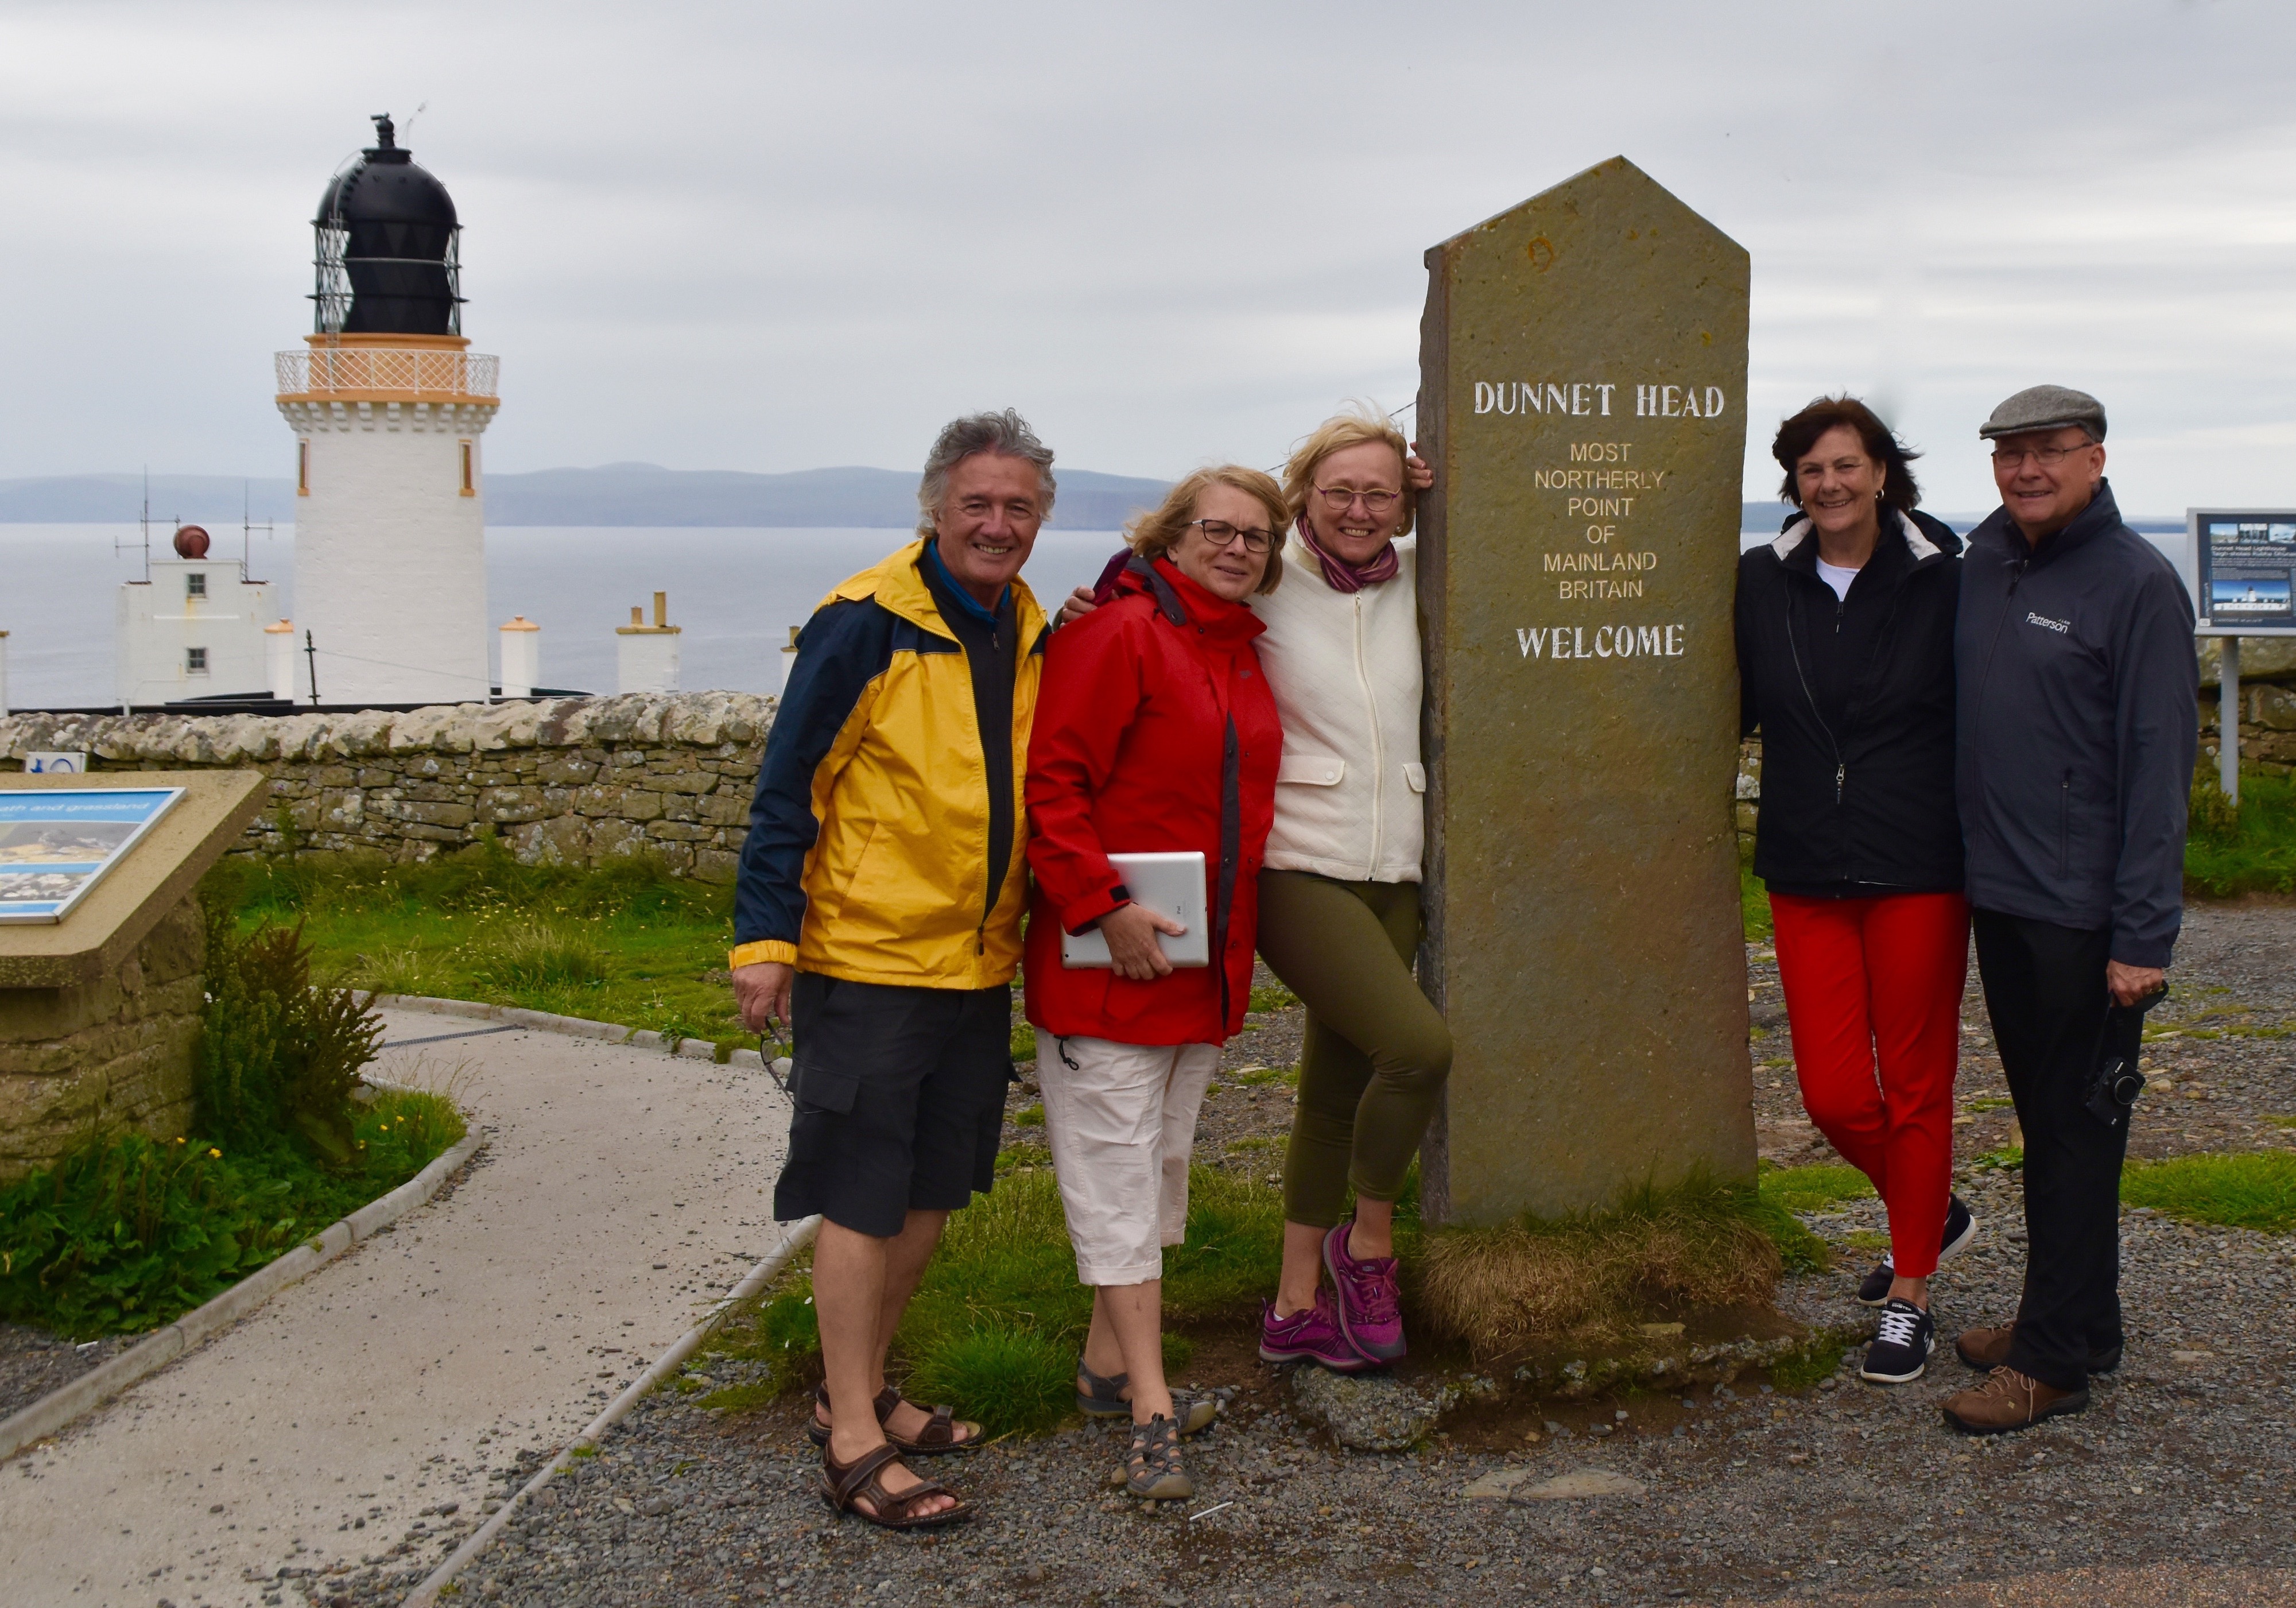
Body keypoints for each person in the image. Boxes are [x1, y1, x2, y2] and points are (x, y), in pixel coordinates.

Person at [729, 409, 1056, 1527]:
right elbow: (787, 791)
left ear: (1039, 519)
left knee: (927, 1197)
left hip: (975, 965)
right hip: (867, 957)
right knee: (861, 1198)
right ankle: (854, 1445)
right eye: (977, 504)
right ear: (934, 509)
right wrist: (765, 944)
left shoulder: (1027, 625)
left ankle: (848, 1393)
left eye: (1018, 507)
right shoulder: (865, 621)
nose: (996, 524)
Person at [1025, 466, 1286, 1501]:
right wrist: (1101, 904)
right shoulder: (1118, 632)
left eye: (1257, 537)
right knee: (1116, 1180)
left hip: (1199, 972)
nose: (1237, 548)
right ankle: (1149, 1405)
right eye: (1216, 530)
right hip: (1107, 970)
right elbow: (1055, 781)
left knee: (1160, 1171)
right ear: (1169, 538)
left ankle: (1102, 1370)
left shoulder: (1243, 649)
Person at [1941, 385, 2197, 1435]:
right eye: (2010, 454)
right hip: (2002, 900)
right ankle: (2082, 1320)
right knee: (2050, 1128)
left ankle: (2052, 1365)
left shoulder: (2136, 583)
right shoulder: (1986, 557)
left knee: (2079, 1135)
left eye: (2051, 451)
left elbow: (2157, 766)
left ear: (2096, 458)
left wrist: (2144, 935)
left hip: (2086, 917)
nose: (2027, 470)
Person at [1734, 397, 1977, 1386]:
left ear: (1883, 472)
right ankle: (1935, 1211)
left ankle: (1912, 1290)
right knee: (1833, 1093)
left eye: (1847, 465)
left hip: (1920, 864)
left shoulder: (1943, 580)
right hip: (1804, 865)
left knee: (1917, 1086)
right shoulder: (1759, 579)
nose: (1829, 484)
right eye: (1810, 469)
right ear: (1793, 483)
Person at [1250, 410, 1452, 1371]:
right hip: (1297, 863)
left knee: (1333, 1093)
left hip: (1397, 865)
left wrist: (1452, 483)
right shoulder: (1264, 577)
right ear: (1304, 495)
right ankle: (1367, 1248)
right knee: (1416, 1048)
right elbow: (1162, 572)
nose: (1359, 510)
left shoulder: (1421, 580)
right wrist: (1101, 597)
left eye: (1381, 492)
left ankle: (1293, 1305)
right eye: (1339, 491)